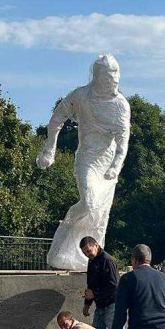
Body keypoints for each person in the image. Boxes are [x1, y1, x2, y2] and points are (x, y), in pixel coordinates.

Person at [36, 54, 131, 270]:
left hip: (108, 163)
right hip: (87, 158)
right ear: (97, 76)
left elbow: (123, 139)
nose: (112, 81)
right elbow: (57, 118)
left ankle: (91, 258)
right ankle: (65, 238)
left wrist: (116, 165)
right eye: (107, 77)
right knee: (89, 202)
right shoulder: (80, 96)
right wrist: (50, 148)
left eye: (114, 76)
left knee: (99, 212)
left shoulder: (120, 105)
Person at [79, 236, 126, 329]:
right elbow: (91, 284)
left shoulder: (107, 260)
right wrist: (87, 304)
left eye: (88, 251)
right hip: (100, 307)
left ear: (96, 245)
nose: (87, 255)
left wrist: (95, 294)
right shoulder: (92, 261)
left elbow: (115, 286)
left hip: (112, 305)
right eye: (84, 253)